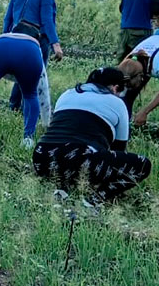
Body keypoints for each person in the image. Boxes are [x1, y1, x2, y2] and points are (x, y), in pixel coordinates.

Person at [32, 67, 151, 202]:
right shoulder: (117, 103)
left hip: (41, 157)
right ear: (115, 88)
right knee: (142, 164)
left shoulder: (66, 95)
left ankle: (63, 188)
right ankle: (95, 199)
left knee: (71, 157)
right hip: (79, 158)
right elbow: (119, 148)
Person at [4, 0, 63, 111]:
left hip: (17, 37)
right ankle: (29, 110)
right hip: (37, 40)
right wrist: (55, 44)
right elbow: (47, 21)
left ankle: (13, 106)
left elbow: (8, 18)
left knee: (20, 71)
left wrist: (5, 37)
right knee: (36, 75)